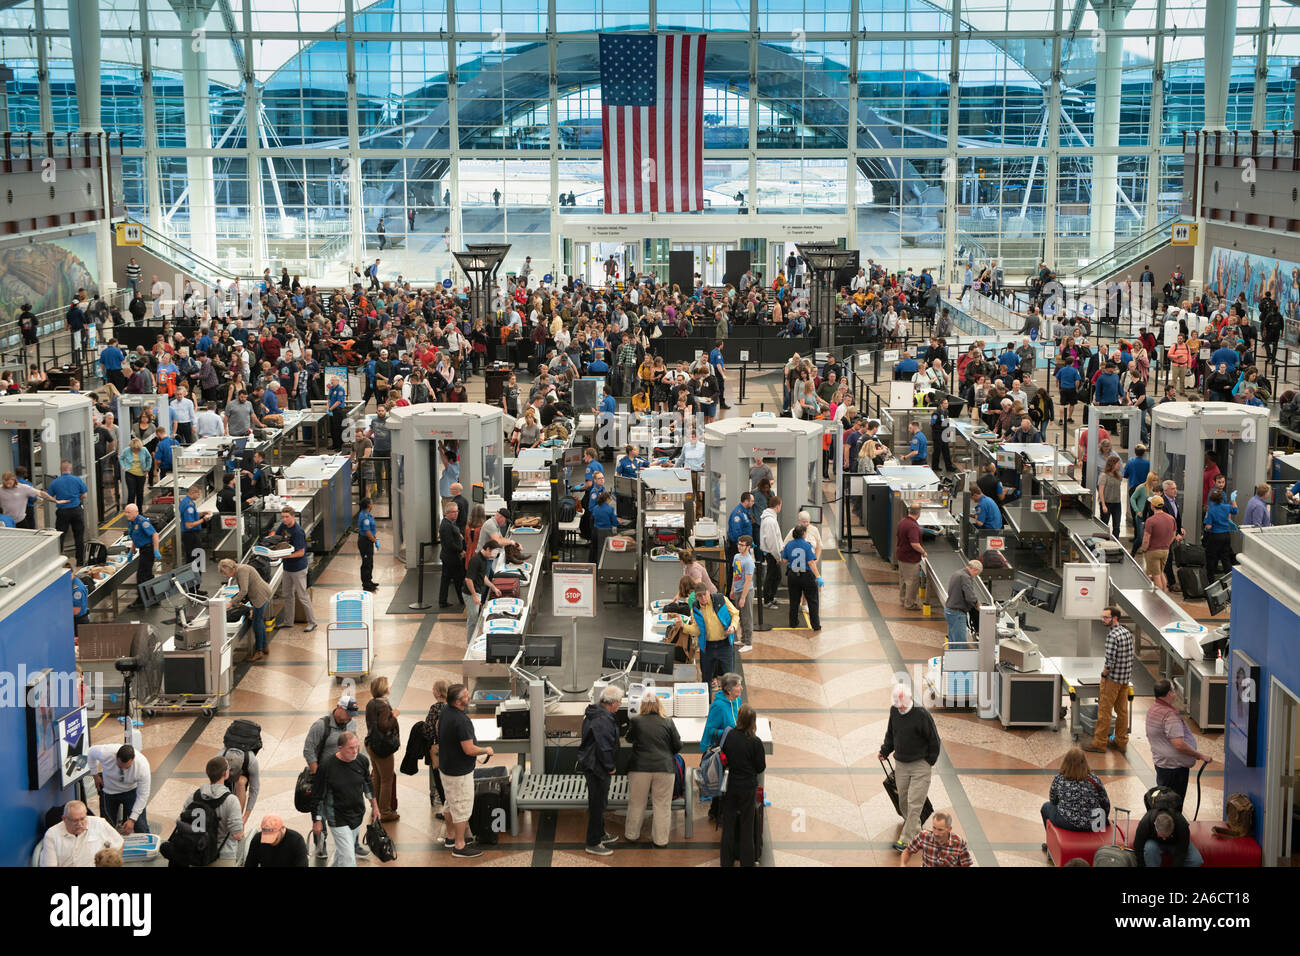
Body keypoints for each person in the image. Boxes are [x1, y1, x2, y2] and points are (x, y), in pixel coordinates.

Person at [878, 683, 941, 852]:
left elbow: (934, 740)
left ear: (910, 698)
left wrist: (930, 762)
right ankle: (917, 832)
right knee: (903, 801)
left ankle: (905, 840)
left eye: (903, 703)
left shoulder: (921, 715)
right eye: (897, 704)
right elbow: (891, 734)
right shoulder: (894, 711)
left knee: (914, 803)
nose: (900, 707)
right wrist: (885, 750)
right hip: (901, 765)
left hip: (921, 765)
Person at [438, 683, 494, 857]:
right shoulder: (462, 720)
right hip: (459, 772)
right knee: (462, 807)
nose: (468, 696)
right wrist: (486, 750)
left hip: (446, 767)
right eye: (465, 695)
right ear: (458, 701)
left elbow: (437, 727)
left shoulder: (446, 711)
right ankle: (460, 846)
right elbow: (469, 750)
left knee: (450, 802)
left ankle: (450, 836)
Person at [310, 732, 379, 867]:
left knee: (343, 852)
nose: (355, 751)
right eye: (351, 748)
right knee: (348, 858)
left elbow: (367, 785)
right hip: (337, 817)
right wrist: (317, 820)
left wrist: (375, 807)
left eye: (357, 747)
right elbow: (317, 796)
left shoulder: (362, 761)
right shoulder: (326, 767)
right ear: (340, 748)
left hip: (357, 814)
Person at [624, 691, 682, 848]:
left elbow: (629, 738)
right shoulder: (668, 721)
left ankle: (631, 835)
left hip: (639, 768)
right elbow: (678, 746)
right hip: (664, 768)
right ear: (659, 705)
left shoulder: (636, 721)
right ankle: (661, 840)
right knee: (662, 805)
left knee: (636, 802)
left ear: (642, 705)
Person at [304, 697, 359, 859]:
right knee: (320, 811)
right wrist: (318, 774)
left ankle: (352, 843)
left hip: (344, 777)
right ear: (338, 708)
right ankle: (320, 844)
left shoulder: (351, 724)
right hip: (324, 777)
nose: (350, 717)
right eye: (348, 713)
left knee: (348, 808)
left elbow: (355, 745)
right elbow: (308, 750)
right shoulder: (321, 726)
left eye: (352, 714)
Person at [1146, 679, 1213, 812]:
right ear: (1169, 693)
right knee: (1173, 804)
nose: (1175, 693)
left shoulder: (1153, 709)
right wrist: (1200, 755)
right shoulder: (1169, 715)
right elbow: (1179, 745)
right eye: (1173, 689)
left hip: (1162, 764)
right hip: (1174, 769)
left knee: (1164, 800)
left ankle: (1165, 825)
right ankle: (1173, 828)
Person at [578, 684, 624, 856]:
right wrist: (610, 767)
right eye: (619, 702)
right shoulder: (603, 720)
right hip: (597, 767)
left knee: (600, 802)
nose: (620, 704)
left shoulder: (595, 712)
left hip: (592, 764)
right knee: (597, 804)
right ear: (612, 703)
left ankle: (601, 833)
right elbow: (604, 747)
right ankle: (593, 842)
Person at [719, 703, 767, 867]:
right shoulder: (755, 742)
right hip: (748, 787)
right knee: (747, 826)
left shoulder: (729, 736)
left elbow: (724, 756)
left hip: (732, 783)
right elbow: (761, 767)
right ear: (753, 722)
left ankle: (726, 861)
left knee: (729, 824)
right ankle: (747, 862)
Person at [177, 755, 245, 866]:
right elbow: (237, 835)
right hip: (223, 855)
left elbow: (182, 821)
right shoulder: (231, 800)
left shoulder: (194, 796)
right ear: (225, 773)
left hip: (197, 854)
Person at [1084, 606, 1132, 755]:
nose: (1103, 620)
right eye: (1103, 617)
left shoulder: (1112, 636)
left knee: (1104, 712)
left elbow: (1110, 660)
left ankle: (1099, 743)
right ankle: (1120, 740)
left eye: (1106, 617)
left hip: (1112, 680)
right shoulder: (1126, 632)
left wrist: (1104, 675)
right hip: (1124, 679)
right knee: (1122, 711)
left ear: (1115, 618)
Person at [677, 588, 739, 684]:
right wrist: (683, 626)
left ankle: (729, 699)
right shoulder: (695, 608)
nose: (703, 598)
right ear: (696, 597)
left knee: (729, 679)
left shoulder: (721, 599)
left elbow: (735, 614)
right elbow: (696, 630)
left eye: (704, 594)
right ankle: (708, 699)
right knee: (706, 680)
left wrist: (733, 626)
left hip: (724, 645)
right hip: (707, 648)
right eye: (699, 596)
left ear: (709, 592)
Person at [1041, 747, 1111, 833]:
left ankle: (1051, 842)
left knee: (1046, 807)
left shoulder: (1059, 779)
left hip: (1068, 823)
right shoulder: (1094, 779)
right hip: (1093, 824)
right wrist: (1103, 819)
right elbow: (1106, 804)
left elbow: (1053, 801)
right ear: (1084, 762)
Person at [39, 799, 125, 867]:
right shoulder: (52, 834)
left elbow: (119, 843)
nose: (80, 824)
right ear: (64, 819)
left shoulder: (99, 823)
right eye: (75, 820)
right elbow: (50, 865)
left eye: (83, 819)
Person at [269, 507, 316, 631]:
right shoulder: (283, 526)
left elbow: (301, 553)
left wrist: (284, 555)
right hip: (287, 567)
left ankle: (312, 622)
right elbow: (276, 536)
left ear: (293, 516)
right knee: (287, 595)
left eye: (286, 517)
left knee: (302, 596)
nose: (284, 519)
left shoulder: (298, 532)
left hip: (298, 568)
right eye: (282, 517)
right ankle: (288, 621)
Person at [88, 743, 152, 834]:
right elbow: (90, 752)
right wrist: (95, 775)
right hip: (109, 792)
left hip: (131, 792)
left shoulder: (142, 766)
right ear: (115, 756)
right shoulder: (105, 752)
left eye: (127, 767)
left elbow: (143, 795)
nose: (123, 770)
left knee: (140, 826)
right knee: (106, 828)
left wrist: (132, 819)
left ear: (133, 758)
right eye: (120, 766)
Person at [219, 558, 273, 661]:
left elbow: (244, 590)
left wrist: (231, 603)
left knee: (257, 623)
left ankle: (259, 651)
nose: (226, 576)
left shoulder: (242, 570)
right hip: (260, 594)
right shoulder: (239, 569)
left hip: (260, 596)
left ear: (230, 570)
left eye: (225, 574)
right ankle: (265, 646)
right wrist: (235, 600)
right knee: (259, 621)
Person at [364, 675, 401, 823]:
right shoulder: (383, 706)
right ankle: (385, 811)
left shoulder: (371, 703)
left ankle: (376, 808)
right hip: (382, 748)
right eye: (388, 685)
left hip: (371, 744)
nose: (390, 687)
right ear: (384, 689)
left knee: (377, 776)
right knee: (387, 779)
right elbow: (384, 726)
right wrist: (394, 715)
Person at [48, 460, 89, 565]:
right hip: (76, 510)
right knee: (79, 536)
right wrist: (76, 498)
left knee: (60, 536)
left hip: (62, 512)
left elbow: (49, 497)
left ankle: (59, 561)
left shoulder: (55, 482)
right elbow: (84, 495)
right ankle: (80, 561)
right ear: (70, 469)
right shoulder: (77, 480)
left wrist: (57, 501)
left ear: (60, 470)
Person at [781, 524, 821, 630]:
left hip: (793, 575)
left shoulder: (789, 545)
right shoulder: (807, 546)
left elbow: (785, 560)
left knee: (794, 600)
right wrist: (818, 577)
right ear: (803, 534)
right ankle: (816, 625)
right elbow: (811, 562)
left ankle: (793, 622)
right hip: (806, 576)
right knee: (812, 601)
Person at [1133, 807, 1203, 868]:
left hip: (1175, 843)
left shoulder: (1182, 825)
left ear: (1173, 827)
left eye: (1167, 836)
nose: (1164, 839)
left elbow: (1182, 851)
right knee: (1149, 848)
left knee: (1196, 860)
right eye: (1161, 836)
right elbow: (1138, 846)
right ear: (1155, 824)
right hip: (1154, 843)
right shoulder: (1145, 822)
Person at [900, 812, 973, 867]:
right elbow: (908, 851)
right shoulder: (924, 836)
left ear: (949, 829)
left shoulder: (959, 843)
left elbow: (966, 864)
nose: (936, 833)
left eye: (940, 830)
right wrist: (903, 864)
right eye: (934, 828)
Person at [1137, 494, 1176, 592]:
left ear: (1152, 506)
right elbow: (1173, 534)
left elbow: (1146, 538)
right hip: (1165, 550)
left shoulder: (1150, 521)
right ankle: (1165, 595)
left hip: (1153, 551)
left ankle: (1159, 598)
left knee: (1156, 576)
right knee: (1161, 572)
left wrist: (1144, 549)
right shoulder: (1171, 518)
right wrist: (1167, 544)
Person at [123, 503, 160, 605]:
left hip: (148, 550)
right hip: (143, 550)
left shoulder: (142, 522)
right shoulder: (132, 523)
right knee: (146, 575)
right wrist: (131, 552)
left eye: (129, 512)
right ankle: (153, 598)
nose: (126, 514)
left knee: (142, 575)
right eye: (125, 512)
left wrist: (156, 550)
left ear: (136, 512)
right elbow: (135, 539)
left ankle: (142, 600)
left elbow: (155, 535)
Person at [943, 560, 983, 648]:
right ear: (975, 570)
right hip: (957, 613)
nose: (975, 576)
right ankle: (959, 661)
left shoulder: (957, 573)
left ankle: (953, 660)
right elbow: (970, 596)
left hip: (949, 611)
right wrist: (978, 605)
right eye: (977, 574)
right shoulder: (965, 577)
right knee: (960, 643)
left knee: (953, 641)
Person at [243, 814, 309, 867]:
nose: (270, 842)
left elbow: (302, 864)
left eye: (274, 837)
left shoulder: (296, 840)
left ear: (282, 828)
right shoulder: (257, 839)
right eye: (266, 837)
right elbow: (250, 863)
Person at [896, 503, 926, 611]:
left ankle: (903, 599)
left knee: (904, 580)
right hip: (910, 558)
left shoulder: (903, 521)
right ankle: (910, 604)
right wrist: (923, 552)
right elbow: (915, 544)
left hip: (901, 555)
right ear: (918, 513)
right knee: (912, 582)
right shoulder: (913, 526)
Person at [439, 498, 467, 609]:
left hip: (449, 557)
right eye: (454, 512)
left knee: (447, 580)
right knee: (458, 580)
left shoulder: (449, 523)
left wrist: (458, 535)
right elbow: (450, 544)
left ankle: (443, 601)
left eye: (457, 511)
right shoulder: (446, 526)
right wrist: (461, 550)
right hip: (451, 558)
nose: (456, 514)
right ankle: (462, 600)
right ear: (447, 513)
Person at [1203, 488, 1238, 578]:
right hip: (1226, 535)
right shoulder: (1227, 507)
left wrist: (1205, 530)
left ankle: (1210, 580)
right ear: (1222, 499)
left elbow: (1208, 526)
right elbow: (1235, 510)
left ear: (1212, 500)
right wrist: (1233, 500)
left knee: (1211, 558)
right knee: (1225, 558)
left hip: (1215, 536)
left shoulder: (1210, 510)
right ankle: (1230, 579)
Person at [730, 534, 756, 653]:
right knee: (740, 617)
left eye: (742, 545)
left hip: (746, 592)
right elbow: (735, 575)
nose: (739, 547)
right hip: (737, 590)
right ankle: (743, 639)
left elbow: (748, 580)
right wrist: (732, 589)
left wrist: (743, 597)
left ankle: (749, 642)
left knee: (747, 618)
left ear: (748, 547)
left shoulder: (749, 562)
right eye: (738, 544)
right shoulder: (736, 557)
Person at [758, 495, 783, 610]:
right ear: (777, 506)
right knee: (772, 576)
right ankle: (767, 600)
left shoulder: (769, 518)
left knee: (775, 576)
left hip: (772, 553)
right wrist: (777, 556)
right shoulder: (770, 521)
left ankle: (771, 597)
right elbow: (772, 540)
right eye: (780, 505)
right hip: (772, 553)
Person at [355, 496, 378, 592]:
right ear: (368, 505)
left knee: (369, 562)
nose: (373, 505)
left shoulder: (367, 514)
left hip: (368, 541)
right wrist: (374, 540)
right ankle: (366, 584)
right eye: (371, 503)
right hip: (365, 542)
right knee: (366, 562)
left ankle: (369, 580)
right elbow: (367, 531)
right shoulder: (365, 517)